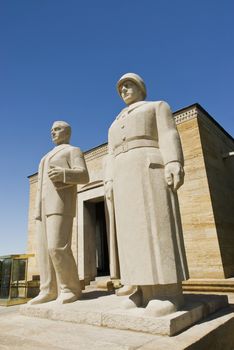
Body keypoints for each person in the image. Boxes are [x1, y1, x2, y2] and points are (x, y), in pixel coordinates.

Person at [104, 73, 189, 316]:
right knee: (130, 232)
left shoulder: (157, 106)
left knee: (155, 227)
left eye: (128, 85)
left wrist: (174, 161)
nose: (124, 90)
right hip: (122, 174)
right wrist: (108, 179)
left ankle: (167, 292)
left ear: (141, 87)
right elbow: (109, 154)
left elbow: (168, 134)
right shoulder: (114, 121)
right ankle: (139, 288)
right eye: (121, 88)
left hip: (148, 166)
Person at [28, 121, 89, 305]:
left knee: (57, 246)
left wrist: (64, 174)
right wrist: (37, 210)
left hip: (61, 204)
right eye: (51, 130)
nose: (53, 133)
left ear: (67, 132)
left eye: (57, 129)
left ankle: (70, 288)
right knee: (44, 250)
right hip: (43, 207)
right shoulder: (45, 157)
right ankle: (47, 289)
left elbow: (84, 176)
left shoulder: (73, 150)